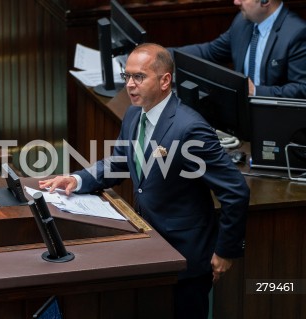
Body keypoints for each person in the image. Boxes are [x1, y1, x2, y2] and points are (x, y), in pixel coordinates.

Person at [39, 43, 250, 319]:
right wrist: (77, 179)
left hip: (185, 258)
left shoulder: (190, 128)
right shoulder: (133, 115)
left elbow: (236, 191)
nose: (130, 85)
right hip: (150, 247)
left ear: (165, 81)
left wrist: (225, 251)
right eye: (127, 76)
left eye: (139, 77)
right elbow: (120, 162)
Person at [169, 0, 306, 98]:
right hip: (241, 114)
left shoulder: (296, 33)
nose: (236, 2)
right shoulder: (242, 22)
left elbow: (302, 88)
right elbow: (209, 52)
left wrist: (256, 91)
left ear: (265, 1)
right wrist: (162, 55)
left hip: (275, 119)